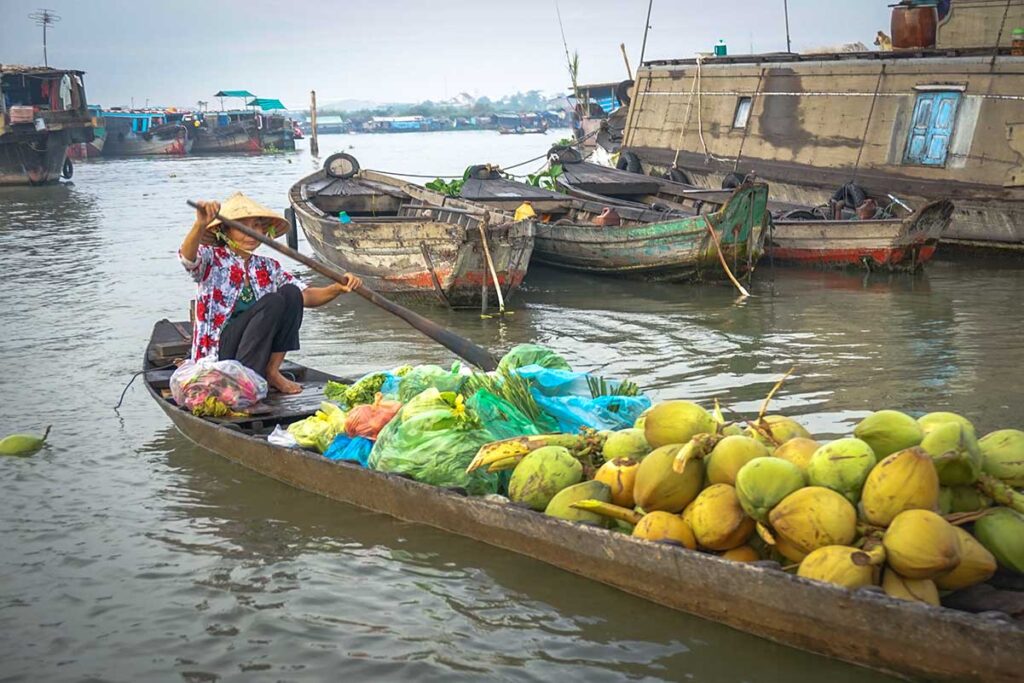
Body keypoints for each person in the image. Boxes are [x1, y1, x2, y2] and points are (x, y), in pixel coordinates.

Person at [180, 192, 361, 394]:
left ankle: (271, 371)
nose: (251, 233)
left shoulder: (267, 266)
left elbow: (306, 296)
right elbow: (188, 259)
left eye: (256, 226)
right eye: (242, 227)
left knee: (291, 293)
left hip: (254, 348)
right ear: (225, 231)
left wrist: (336, 288)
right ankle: (243, 380)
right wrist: (199, 224)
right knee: (273, 301)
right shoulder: (212, 259)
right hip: (220, 351)